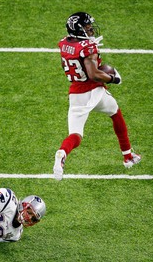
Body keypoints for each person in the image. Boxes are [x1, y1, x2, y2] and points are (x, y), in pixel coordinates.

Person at [53, 12, 141, 180]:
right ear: (79, 29)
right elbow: (94, 74)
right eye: (87, 27)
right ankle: (128, 156)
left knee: (76, 135)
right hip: (93, 91)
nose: (91, 29)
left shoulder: (64, 43)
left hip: (76, 94)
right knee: (115, 113)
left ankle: (63, 152)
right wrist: (113, 78)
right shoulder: (87, 47)